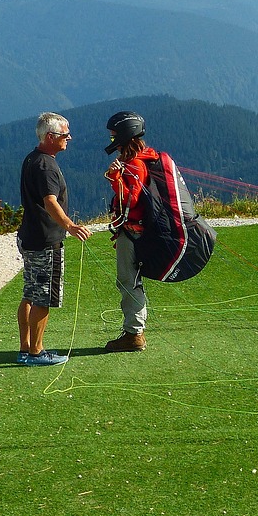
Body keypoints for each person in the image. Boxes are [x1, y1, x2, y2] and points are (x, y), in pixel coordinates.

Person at [17, 112, 91, 365]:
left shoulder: (33, 158)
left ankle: (25, 348)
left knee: (29, 293)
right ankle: (36, 352)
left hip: (29, 236)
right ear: (50, 137)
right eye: (64, 134)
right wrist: (70, 226)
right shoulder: (46, 165)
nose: (69, 137)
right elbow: (50, 201)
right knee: (43, 297)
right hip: (45, 241)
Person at [103, 110, 156, 352]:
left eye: (114, 134)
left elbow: (129, 201)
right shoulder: (141, 159)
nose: (112, 139)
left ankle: (134, 334)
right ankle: (134, 330)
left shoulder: (134, 164)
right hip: (139, 231)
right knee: (132, 281)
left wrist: (115, 178)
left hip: (132, 232)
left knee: (128, 280)